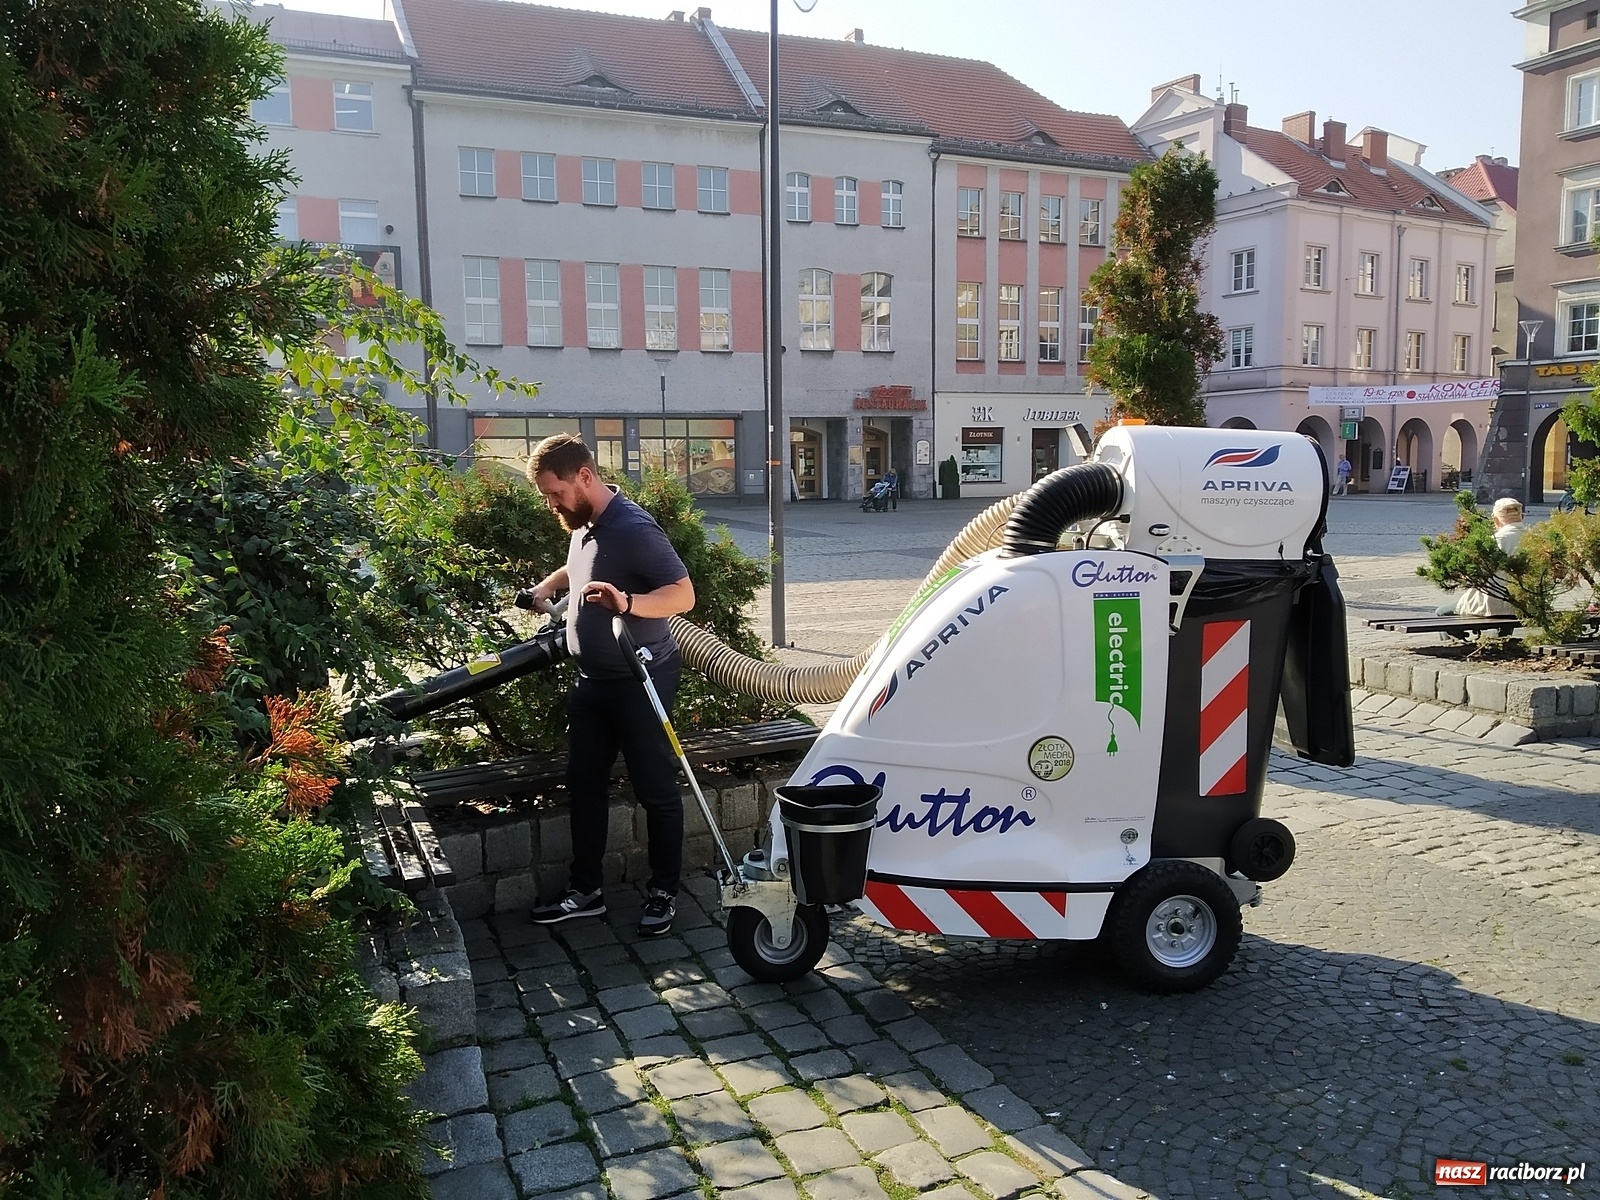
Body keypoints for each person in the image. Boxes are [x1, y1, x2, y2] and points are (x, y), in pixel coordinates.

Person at [522, 435, 696, 937]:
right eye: (545, 496)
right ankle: (586, 892)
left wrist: (628, 603)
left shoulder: (633, 527)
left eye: (555, 493)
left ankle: (664, 891)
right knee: (583, 784)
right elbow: (582, 565)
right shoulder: (585, 523)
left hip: (640, 679)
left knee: (655, 790)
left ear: (584, 477)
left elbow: (683, 595)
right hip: (593, 681)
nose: (551, 504)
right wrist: (550, 586)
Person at [1435, 497, 1525, 617]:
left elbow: (1475, 575)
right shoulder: (1535, 539)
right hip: (1527, 604)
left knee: (1441, 612)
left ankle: (1455, 636)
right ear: (1522, 517)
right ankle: (1501, 634)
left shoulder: (1496, 540)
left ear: (1495, 520)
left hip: (1493, 605)